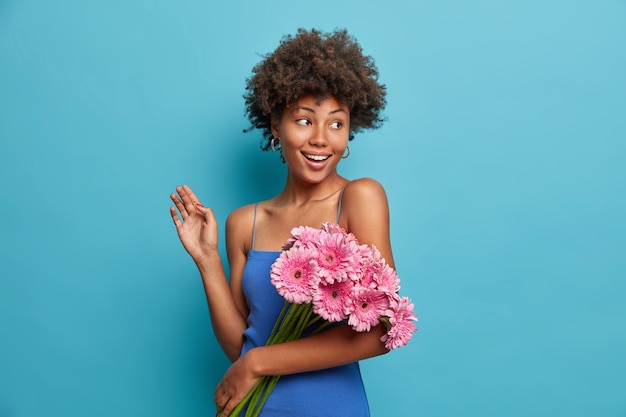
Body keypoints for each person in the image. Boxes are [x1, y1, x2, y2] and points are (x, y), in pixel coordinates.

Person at [170, 28, 393, 417]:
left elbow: (380, 332)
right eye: (304, 121)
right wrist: (206, 260)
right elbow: (240, 345)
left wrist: (258, 363)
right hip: (254, 409)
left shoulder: (360, 197)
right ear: (276, 127)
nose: (321, 139)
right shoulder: (245, 222)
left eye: (336, 124)